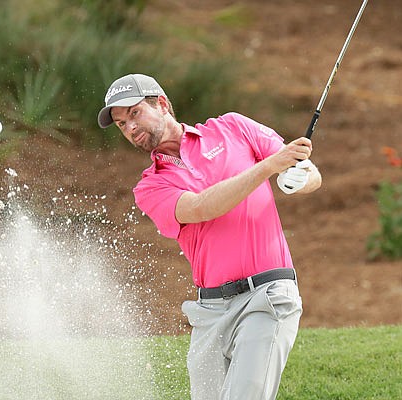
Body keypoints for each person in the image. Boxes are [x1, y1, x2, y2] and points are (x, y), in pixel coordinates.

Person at [97, 73, 322, 400]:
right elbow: (202, 207)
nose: (130, 127)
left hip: (267, 296)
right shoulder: (150, 187)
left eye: (134, 113)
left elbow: (308, 173)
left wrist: (298, 176)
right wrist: (267, 168)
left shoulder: (233, 127)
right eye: (121, 124)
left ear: (162, 104)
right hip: (210, 311)